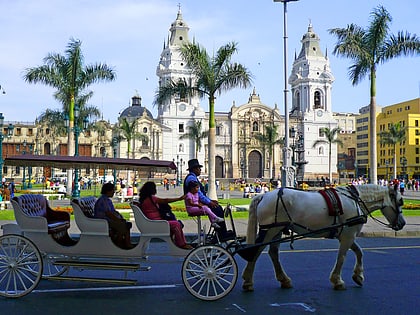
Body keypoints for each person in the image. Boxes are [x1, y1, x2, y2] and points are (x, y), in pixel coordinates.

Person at [184, 159, 232, 240]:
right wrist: (209, 203)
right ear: (194, 169)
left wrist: (211, 201)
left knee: (217, 207)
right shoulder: (191, 179)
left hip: (197, 203)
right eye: (199, 168)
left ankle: (221, 232)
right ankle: (221, 234)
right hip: (195, 205)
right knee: (217, 209)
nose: (200, 170)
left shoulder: (193, 177)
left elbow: (201, 194)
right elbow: (199, 194)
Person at [136, 181, 192, 250]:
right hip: (156, 223)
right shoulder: (152, 198)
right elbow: (165, 200)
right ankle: (182, 244)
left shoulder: (143, 199)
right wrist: (179, 199)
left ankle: (178, 243)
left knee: (175, 224)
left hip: (152, 222)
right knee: (176, 224)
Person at [94, 183, 133, 249]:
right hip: (104, 221)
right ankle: (118, 244)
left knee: (126, 224)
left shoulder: (107, 200)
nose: (113, 192)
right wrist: (118, 220)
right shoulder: (104, 200)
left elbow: (113, 212)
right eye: (112, 190)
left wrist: (120, 217)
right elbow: (108, 214)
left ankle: (126, 242)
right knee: (124, 226)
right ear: (108, 191)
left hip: (107, 220)